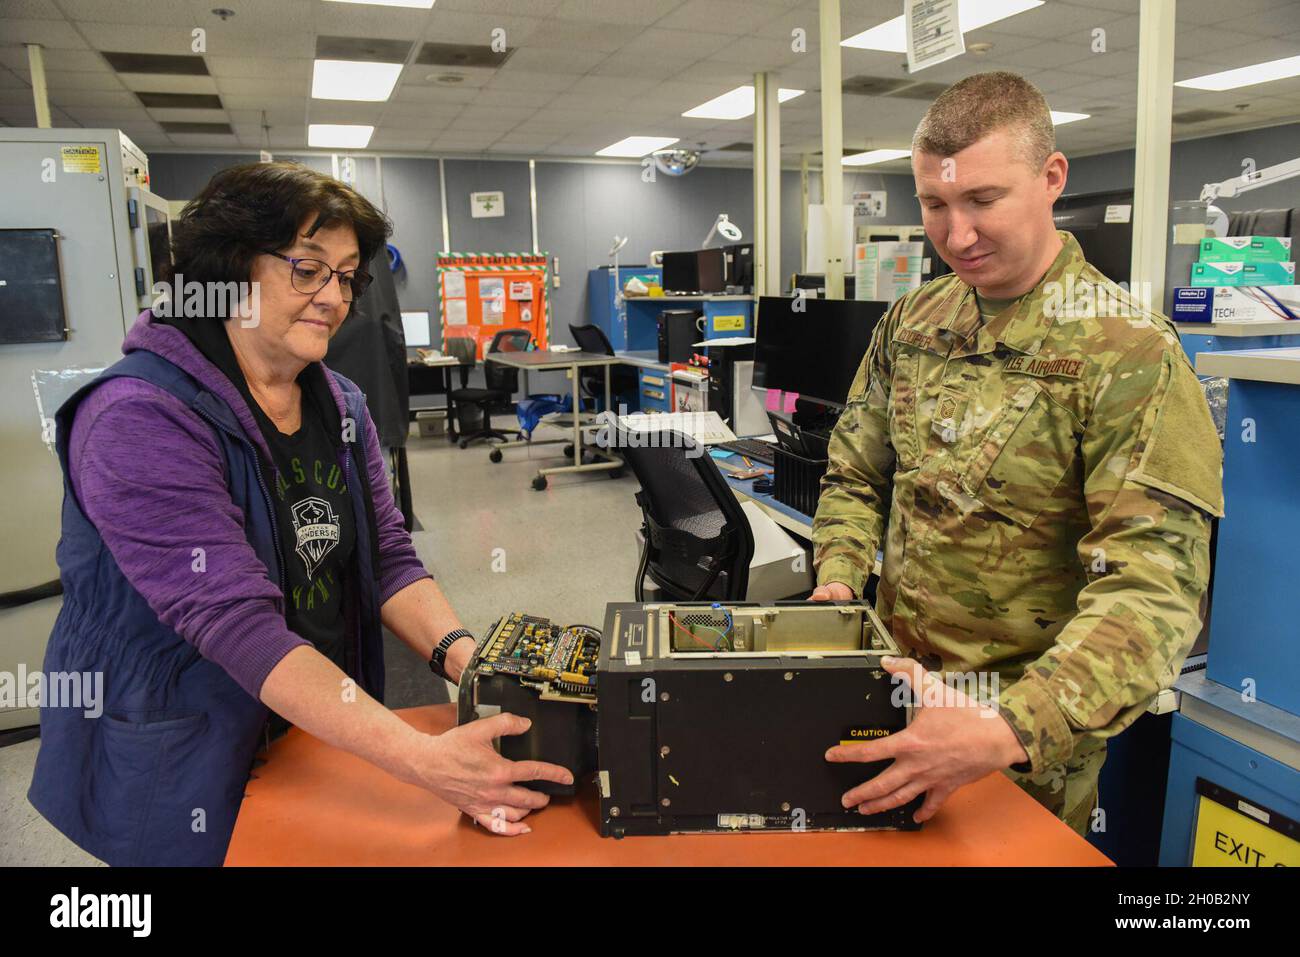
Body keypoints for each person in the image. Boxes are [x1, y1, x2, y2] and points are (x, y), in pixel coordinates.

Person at [28, 161, 571, 866]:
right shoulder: (137, 417)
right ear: (226, 271)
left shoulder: (337, 401)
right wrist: (420, 756)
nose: (334, 297)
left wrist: (475, 667)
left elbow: (390, 561)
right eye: (308, 269)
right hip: (188, 749)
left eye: (346, 275)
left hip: (312, 720)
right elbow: (237, 623)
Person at [812, 72, 1224, 835]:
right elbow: (856, 471)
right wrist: (837, 582)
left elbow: (1153, 591)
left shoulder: (1129, 353)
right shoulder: (914, 319)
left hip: (1022, 752)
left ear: (1051, 178)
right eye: (934, 205)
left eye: (983, 201)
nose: (956, 235)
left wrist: (1003, 730)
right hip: (889, 704)